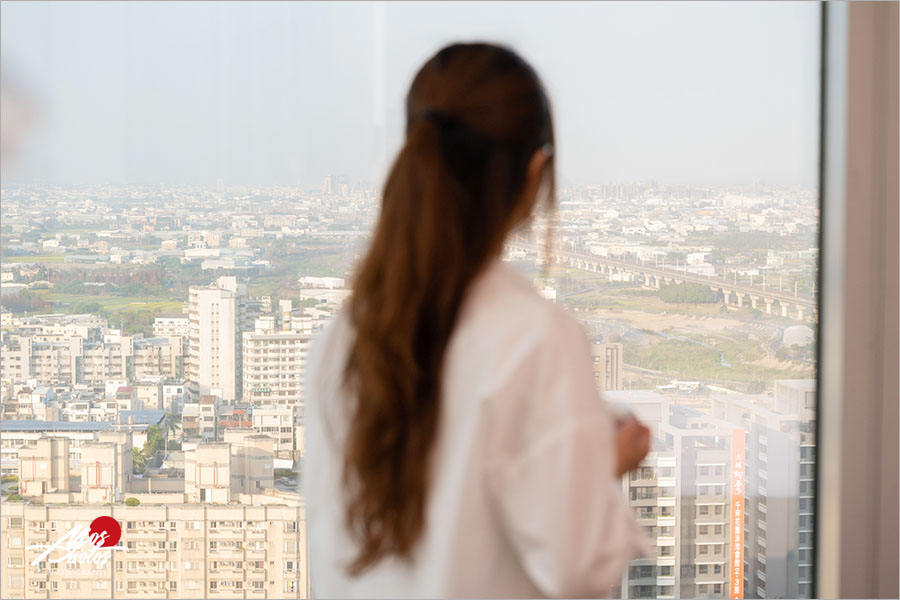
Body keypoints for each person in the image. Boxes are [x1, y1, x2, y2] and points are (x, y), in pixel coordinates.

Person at [304, 42, 652, 598]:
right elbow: (580, 569)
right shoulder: (534, 338)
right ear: (536, 168)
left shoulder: (342, 338)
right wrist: (598, 465)